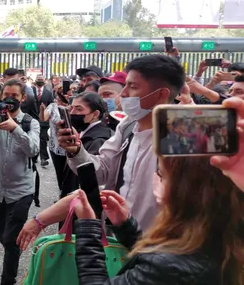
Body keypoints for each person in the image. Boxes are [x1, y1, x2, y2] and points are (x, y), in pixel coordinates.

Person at [58, 54, 186, 231]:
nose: (123, 94)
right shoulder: (127, 127)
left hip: (158, 246)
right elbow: (102, 172)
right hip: (117, 237)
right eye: (125, 85)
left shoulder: (182, 140)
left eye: (132, 86)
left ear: (161, 94)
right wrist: (76, 151)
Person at [71, 155, 244, 284]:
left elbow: (165, 264)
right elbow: (163, 255)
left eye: (161, 174)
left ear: (184, 191)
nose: (157, 179)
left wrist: (88, 227)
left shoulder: (171, 268)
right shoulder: (218, 235)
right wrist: (127, 227)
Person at [0, 79, 40, 285]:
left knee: (12, 240)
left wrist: (15, 129)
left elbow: (33, 150)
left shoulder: (30, 122)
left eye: (14, 96)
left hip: (21, 191)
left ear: (23, 98)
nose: (9, 100)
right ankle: (9, 247)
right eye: (5, 96)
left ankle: (8, 279)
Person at [60, 92, 113, 198]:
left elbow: (90, 176)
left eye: (79, 109)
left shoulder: (99, 139)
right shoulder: (83, 130)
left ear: (95, 114)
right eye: (72, 108)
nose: (73, 113)